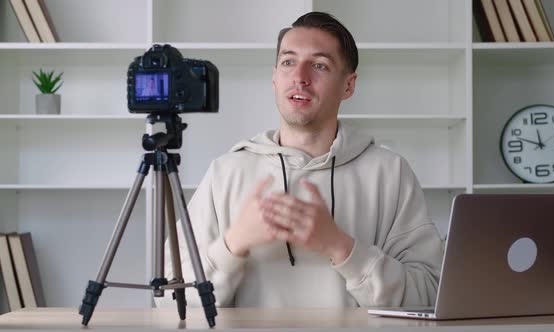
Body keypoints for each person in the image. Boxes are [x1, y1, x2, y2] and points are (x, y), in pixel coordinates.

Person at [155, 12, 443, 309]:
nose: (300, 77)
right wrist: (234, 243)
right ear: (275, 76)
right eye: (289, 62)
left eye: (319, 65)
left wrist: (340, 247)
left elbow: (430, 296)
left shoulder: (390, 173)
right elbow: (168, 302)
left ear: (348, 86)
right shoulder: (226, 171)